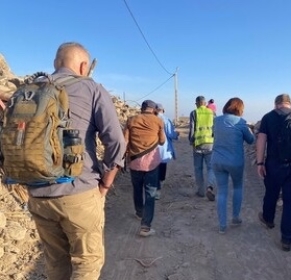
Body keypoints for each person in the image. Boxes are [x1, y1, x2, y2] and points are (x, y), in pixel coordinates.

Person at [26, 42, 126, 280]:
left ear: (55, 64)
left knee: (56, 263)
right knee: (87, 263)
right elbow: (116, 143)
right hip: (78, 193)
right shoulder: (91, 88)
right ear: (84, 66)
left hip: (37, 195)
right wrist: (105, 184)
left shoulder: (29, 90)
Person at [256, 93, 291, 252]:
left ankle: (268, 219)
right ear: (290, 103)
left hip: (274, 164)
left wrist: (260, 162)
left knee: (271, 193)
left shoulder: (268, 117)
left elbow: (261, 140)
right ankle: (287, 239)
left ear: (276, 104)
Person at [211, 97, 255, 234]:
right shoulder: (241, 123)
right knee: (237, 187)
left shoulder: (216, 120)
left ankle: (222, 226)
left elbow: (214, 135)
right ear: (240, 109)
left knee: (222, 191)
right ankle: (235, 217)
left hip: (217, 160)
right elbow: (251, 140)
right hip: (235, 161)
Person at [123, 100, 166, 237]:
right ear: (153, 109)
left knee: (137, 189)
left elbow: (125, 142)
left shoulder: (131, 120)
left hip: (135, 162)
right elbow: (162, 141)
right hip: (152, 164)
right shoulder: (158, 121)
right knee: (150, 193)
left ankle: (139, 212)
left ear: (142, 109)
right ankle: (146, 227)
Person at [188, 95, 216, 201]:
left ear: (197, 103)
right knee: (210, 167)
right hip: (210, 144)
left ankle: (201, 191)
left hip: (198, 144)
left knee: (198, 168)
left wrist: (191, 141)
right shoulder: (212, 113)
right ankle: (209, 187)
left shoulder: (194, 113)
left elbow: (192, 129)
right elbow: (215, 128)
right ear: (205, 103)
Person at [155, 103, 179, 200]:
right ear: (163, 110)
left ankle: (155, 186)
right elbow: (170, 134)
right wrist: (176, 134)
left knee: (154, 167)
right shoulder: (166, 119)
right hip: (163, 147)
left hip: (152, 148)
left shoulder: (151, 119)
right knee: (162, 166)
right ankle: (158, 187)